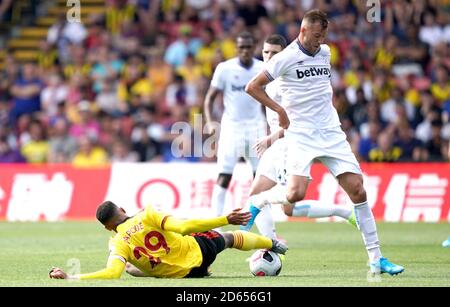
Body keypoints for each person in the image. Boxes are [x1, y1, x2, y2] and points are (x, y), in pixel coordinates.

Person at [244, 9, 403, 276]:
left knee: (358, 190)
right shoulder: (285, 58)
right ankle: (260, 200)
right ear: (303, 31)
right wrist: (281, 111)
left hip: (331, 132)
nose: (320, 41)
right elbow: (253, 87)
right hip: (301, 135)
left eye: (324, 35)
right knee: (294, 196)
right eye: (317, 35)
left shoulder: (326, 52)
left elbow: (319, 88)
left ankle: (377, 259)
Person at [245, 34, 356, 240]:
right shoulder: (267, 77)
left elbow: (296, 121)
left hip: (291, 144)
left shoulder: (285, 81)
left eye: (274, 53)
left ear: (284, 54)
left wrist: (271, 138)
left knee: (272, 200)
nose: (269, 56)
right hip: (278, 145)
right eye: (265, 52)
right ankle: (273, 242)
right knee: (273, 202)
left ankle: (272, 243)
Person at [48, 201, 287, 280]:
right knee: (229, 238)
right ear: (121, 208)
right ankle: (271, 244)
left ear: (107, 227)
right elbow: (184, 226)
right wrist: (225, 218)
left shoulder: (117, 242)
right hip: (198, 252)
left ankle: (166, 268)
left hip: (185, 275)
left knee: (129, 267)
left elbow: (112, 274)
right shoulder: (148, 214)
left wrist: (71, 276)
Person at [204, 32, 266, 217]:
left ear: (254, 47)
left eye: (248, 47)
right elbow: (209, 99)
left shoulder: (263, 68)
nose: (245, 51)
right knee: (224, 176)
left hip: (256, 127)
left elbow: (272, 97)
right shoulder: (225, 69)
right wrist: (209, 122)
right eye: (241, 48)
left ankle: (266, 227)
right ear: (236, 49)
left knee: (260, 179)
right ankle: (216, 223)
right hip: (232, 127)